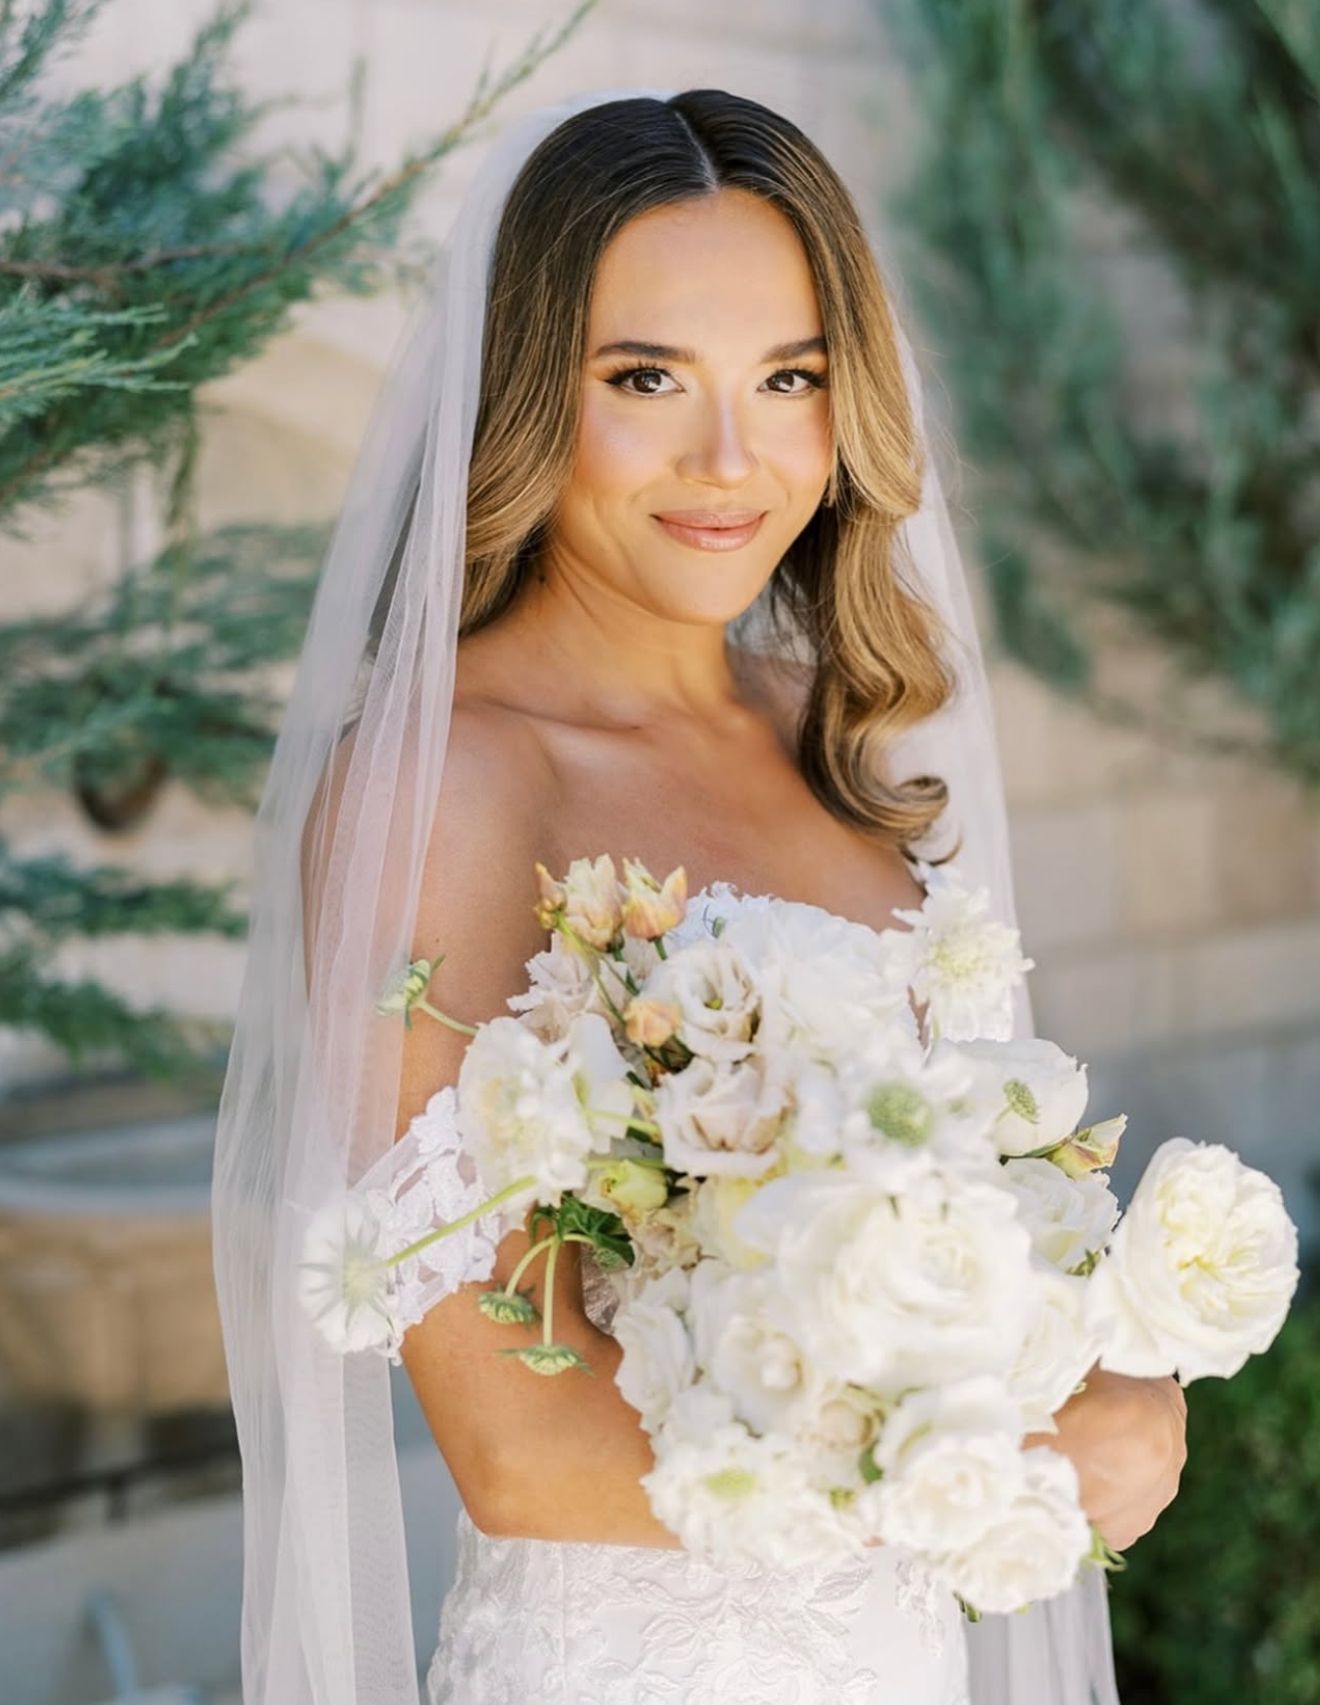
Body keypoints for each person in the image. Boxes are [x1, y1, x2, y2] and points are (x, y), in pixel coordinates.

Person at [212, 86, 1185, 1705]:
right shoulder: (451, 780)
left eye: (789, 378)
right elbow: (515, 1443)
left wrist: (1107, 1370)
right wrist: (989, 1468)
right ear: (531, 396)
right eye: (647, 378)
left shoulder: (849, 739)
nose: (731, 460)